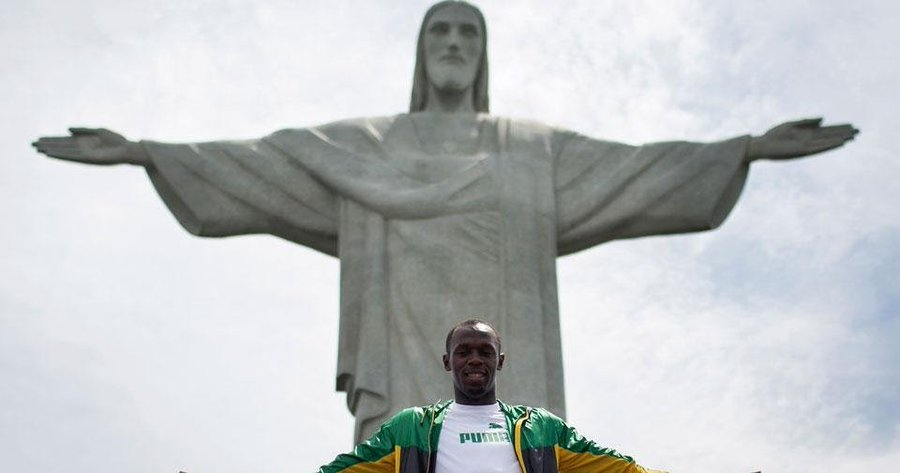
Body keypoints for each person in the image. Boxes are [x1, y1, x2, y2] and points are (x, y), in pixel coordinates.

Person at [32, 1, 858, 443]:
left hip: (509, 390)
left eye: (469, 32)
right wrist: (146, 152)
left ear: (483, 55)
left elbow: (637, 167)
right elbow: (264, 162)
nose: (455, 43)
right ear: (422, 53)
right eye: (441, 31)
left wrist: (744, 147)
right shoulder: (365, 147)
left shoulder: (530, 152)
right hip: (401, 375)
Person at [318, 319, 667, 473]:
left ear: (499, 362)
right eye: (463, 351)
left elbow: (621, 468)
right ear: (447, 361)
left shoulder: (539, 428)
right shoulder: (412, 428)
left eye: (484, 352)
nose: (474, 359)